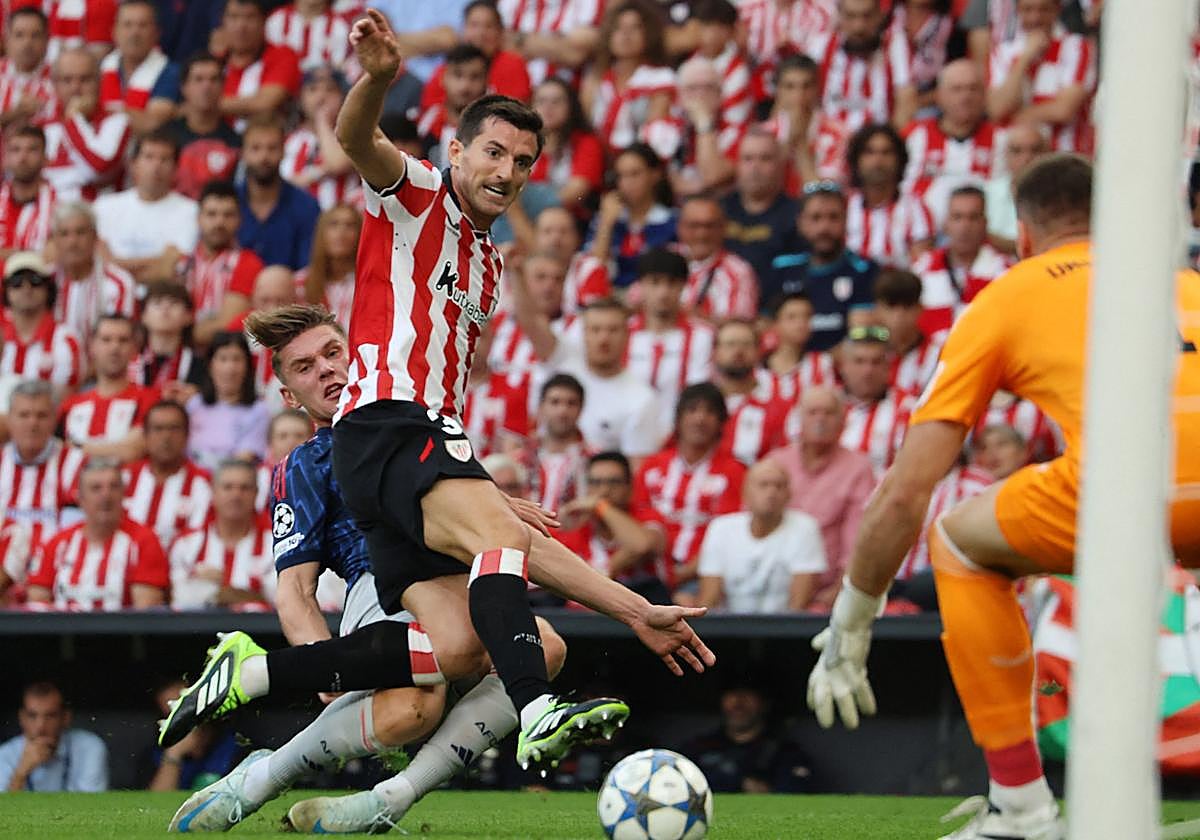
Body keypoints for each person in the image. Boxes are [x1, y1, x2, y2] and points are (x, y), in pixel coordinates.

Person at [160, 13, 712, 790]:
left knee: (454, 648)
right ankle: (538, 709)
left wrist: (635, 609)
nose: (507, 168)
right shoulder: (417, 195)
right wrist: (379, 79)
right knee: (506, 556)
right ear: (457, 151)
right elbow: (358, 140)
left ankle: (252, 678)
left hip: (413, 442)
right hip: (389, 419)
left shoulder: (488, 267)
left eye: (523, 160)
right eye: (493, 150)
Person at [802, 154, 1200, 839]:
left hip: (1138, 486)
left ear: (1021, 234)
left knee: (959, 542)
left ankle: (1020, 807)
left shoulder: (1009, 294)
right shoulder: (1186, 281)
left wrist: (852, 618)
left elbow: (906, 491)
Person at [164, 303, 566, 833]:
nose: (327, 370)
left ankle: (384, 797)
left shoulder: (413, 421)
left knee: (549, 646)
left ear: (360, 357)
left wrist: (497, 504)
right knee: (413, 710)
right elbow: (296, 590)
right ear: (288, 396)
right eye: (305, 367)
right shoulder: (307, 463)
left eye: (333, 353)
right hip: (381, 592)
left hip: (455, 585)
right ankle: (259, 778)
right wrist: (322, 665)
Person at [633, 383, 746, 602]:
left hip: (703, 576)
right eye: (692, 410)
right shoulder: (652, 466)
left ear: (721, 421)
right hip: (647, 572)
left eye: (710, 412)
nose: (700, 419)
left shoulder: (734, 471)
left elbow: (728, 535)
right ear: (678, 418)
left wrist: (686, 572)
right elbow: (637, 518)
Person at [766, 386, 876, 610]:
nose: (820, 419)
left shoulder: (858, 468)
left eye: (828, 413)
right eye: (813, 412)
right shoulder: (776, 463)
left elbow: (858, 540)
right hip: (769, 582)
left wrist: (839, 590)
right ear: (799, 419)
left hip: (825, 591)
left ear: (843, 421)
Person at [521, 295, 668, 461]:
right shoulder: (562, 362)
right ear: (583, 333)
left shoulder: (641, 399)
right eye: (596, 329)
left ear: (627, 334)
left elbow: (636, 470)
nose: (604, 339)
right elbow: (532, 324)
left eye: (613, 330)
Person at [27, 457, 170, 610]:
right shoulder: (57, 544)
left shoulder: (144, 542)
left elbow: (145, 614)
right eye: (96, 488)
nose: (106, 496)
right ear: (80, 499)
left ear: (124, 494)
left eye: (113, 487)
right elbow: (37, 607)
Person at [697, 458, 826, 613]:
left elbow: (799, 604)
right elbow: (709, 600)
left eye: (779, 486)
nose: (771, 493)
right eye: (763, 485)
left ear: (789, 494)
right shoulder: (721, 528)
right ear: (745, 493)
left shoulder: (805, 528)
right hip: (729, 629)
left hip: (786, 630)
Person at [0, 381, 85, 599]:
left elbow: (81, 532)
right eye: (24, 415)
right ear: (9, 419)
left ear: (55, 419)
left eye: (41, 415)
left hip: (58, 579)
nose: (32, 423)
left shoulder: (76, 465)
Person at [770, 184, 876, 351]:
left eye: (833, 217)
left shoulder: (864, 270)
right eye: (815, 218)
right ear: (801, 222)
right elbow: (765, 325)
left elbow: (861, 335)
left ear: (846, 220)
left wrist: (817, 365)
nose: (824, 228)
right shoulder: (781, 268)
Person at [554, 450, 668, 603]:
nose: (604, 490)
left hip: (646, 610)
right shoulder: (578, 527)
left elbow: (641, 546)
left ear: (630, 488)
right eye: (596, 482)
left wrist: (600, 506)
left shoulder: (648, 517)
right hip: (584, 618)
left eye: (613, 482)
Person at [902, 59, 1002, 227]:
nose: (966, 96)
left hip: (986, 240)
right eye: (957, 89)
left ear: (985, 95)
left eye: (973, 89)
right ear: (938, 95)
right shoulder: (913, 135)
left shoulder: (1003, 139)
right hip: (921, 235)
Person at [987, 0, 1094, 154]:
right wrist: (1024, 59)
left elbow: (1064, 110)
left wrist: (1015, 118)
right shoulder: (1003, 52)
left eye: (1044, 10)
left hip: (1062, 154)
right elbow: (997, 109)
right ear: (1018, 10)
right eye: (1028, 10)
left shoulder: (1077, 47)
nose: (1035, 18)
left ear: (1057, 10)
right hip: (1013, 160)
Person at [625, 248, 714, 429]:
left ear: (683, 286)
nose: (663, 292)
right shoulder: (623, 332)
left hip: (679, 437)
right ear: (641, 285)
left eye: (671, 283)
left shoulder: (703, 336)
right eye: (655, 283)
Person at [93, 130, 198, 283]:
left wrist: (114, 263)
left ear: (176, 168)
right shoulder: (104, 207)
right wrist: (156, 262)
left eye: (164, 159)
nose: (156, 165)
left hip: (161, 298)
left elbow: (172, 267)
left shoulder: (191, 211)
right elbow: (95, 262)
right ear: (133, 164)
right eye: (149, 157)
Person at [169, 459, 274, 610]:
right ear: (213, 492)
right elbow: (177, 603)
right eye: (228, 487)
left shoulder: (274, 544)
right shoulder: (186, 544)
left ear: (256, 493)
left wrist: (218, 591)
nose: (236, 495)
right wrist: (246, 595)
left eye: (244, 488)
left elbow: (279, 602)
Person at [57, 315, 157, 463]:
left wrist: (74, 448)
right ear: (92, 346)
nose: (114, 347)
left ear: (135, 349)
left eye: (123, 340)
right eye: (106, 339)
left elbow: (132, 450)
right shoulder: (70, 405)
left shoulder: (150, 399)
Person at [685, 678, 813, 793]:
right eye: (731, 694)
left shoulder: (785, 752)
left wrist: (766, 790)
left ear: (765, 703)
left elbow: (795, 793)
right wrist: (739, 782)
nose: (738, 702)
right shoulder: (699, 747)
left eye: (748, 694)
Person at [913, 184, 1012, 334]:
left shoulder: (1006, 273)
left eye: (973, 218)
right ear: (946, 224)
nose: (965, 226)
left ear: (985, 223)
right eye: (957, 217)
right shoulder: (922, 268)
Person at [806, 0, 917, 132]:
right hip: (827, 140)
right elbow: (803, 98)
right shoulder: (821, 46)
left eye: (867, 16)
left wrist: (887, 144)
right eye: (851, 16)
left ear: (880, 16)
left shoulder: (895, 45)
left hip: (877, 142)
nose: (859, 27)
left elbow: (907, 100)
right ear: (839, 16)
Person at [580, 0, 674, 154]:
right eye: (618, 28)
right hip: (601, 162)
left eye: (635, 28)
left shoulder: (661, 78)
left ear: (649, 34)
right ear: (609, 35)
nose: (626, 34)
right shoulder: (595, 80)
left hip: (642, 163)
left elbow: (656, 132)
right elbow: (587, 129)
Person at [641, 56, 741, 198]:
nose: (700, 95)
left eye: (709, 88)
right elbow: (650, 181)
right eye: (692, 88)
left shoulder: (736, 132)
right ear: (679, 96)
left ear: (721, 95)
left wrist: (704, 123)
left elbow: (712, 176)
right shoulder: (660, 129)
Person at [179, 180, 263, 346]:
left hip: (224, 357)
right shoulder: (181, 263)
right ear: (198, 218)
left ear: (239, 220)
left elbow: (227, 325)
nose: (219, 223)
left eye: (228, 215)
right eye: (211, 214)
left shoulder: (248, 263)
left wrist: (175, 337)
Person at [122, 401, 213, 553]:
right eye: (158, 429)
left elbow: (200, 538)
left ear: (187, 435)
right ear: (145, 436)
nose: (166, 437)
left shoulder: (204, 484)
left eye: (174, 429)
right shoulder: (122, 478)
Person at [42, 47, 130, 202]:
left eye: (85, 79)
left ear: (99, 82)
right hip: (48, 217)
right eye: (67, 80)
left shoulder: (116, 121)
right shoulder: (41, 125)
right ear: (54, 84)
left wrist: (73, 118)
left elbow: (99, 168)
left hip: (99, 216)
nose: (76, 88)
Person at [844, 123, 935, 270]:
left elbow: (922, 266)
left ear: (899, 160)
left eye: (886, 153)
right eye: (869, 152)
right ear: (857, 160)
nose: (878, 161)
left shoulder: (916, 209)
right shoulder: (843, 206)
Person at [587, 142, 677, 289]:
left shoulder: (672, 222)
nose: (626, 183)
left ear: (655, 175)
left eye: (635, 174)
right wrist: (606, 224)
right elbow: (592, 271)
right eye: (621, 176)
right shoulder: (605, 219)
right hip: (608, 301)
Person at [720, 128, 799, 294]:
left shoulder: (796, 215)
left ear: (780, 165)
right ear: (737, 165)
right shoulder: (719, 210)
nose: (755, 167)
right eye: (748, 159)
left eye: (765, 159)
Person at [236, 114, 321, 270]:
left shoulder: (306, 206)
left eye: (272, 148)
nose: (264, 157)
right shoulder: (228, 203)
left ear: (283, 152)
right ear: (243, 153)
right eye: (256, 148)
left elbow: (308, 270)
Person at [50, 201, 137, 345]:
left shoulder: (119, 284)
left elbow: (119, 341)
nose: (73, 242)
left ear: (95, 237)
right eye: (64, 234)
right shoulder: (44, 280)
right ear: (54, 241)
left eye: (81, 232)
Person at [761, 54, 850, 194]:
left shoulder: (840, 134)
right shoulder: (763, 134)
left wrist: (800, 143)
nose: (799, 96)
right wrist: (787, 143)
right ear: (778, 91)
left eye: (806, 86)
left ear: (817, 89)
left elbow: (823, 195)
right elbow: (762, 193)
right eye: (790, 87)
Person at [420, 0, 532, 109]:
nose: (481, 33)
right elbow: (430, 109)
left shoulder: (513, 65)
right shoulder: (448, 67)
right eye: (474, 25)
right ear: (463, 29)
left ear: (500, 32)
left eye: (489, 26)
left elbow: (515, 113)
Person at [0, 251, 82, 398]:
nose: (26, 289)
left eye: (35, 280)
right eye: (17, 282)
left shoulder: (66, 339)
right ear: (6, 290)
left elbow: (71, 395)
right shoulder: (2, 338)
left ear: (48, 288)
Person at [0, 681, 108, 792]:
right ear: (22, 718)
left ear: (66, 718)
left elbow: (91, 806)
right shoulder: (5, 754)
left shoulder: (89, 747)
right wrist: (20, 774)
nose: (40, 726)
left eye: (50, 716)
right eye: (32, 716)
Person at [710, 319, 791, 465]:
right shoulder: (700, 403)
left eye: (746, 345)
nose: (738, 351)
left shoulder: (777, 405)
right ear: (716, 352)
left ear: (758, 352)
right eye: (730, 344)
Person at [186, 331, 269, 472]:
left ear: (247, 367)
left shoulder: (259, 410)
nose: (230, 368)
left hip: (231, 483)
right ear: (210, 365)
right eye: (223, 359)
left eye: (237, 359)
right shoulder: (194, 404)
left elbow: (245, 458)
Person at [838, 326, 914, 477]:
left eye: (876, 362)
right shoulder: (824, 405)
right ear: (843, 366)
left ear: (888, 367)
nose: (868, 371)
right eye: (859, 361)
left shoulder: (908, 408)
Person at [165, 52, 242, 199]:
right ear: (184, 87)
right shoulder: (165, 138)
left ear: (223, 86)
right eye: (198, 79)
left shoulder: (237, 142)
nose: (206, 86)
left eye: (214, 80)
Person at [282, 65, 359, 210]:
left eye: (330, 90)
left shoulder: (353, 135)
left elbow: (337, 163)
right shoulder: (289, 140)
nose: (321, 96)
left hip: (340, 221)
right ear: (301, 97)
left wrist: (322, 122)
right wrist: (323, 171)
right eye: (313, 89)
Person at [97, 0, 180, 136]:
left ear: (156, 33)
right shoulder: (101, 67)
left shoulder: (171, 73)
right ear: (114, 32)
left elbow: (151, 123)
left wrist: (98, 112)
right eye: (127, 25)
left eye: (143, 25)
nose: (135, 33)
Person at [217, 0, 302, 128]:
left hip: (266, 144)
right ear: (223, 21)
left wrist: (204, 107)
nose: (241, 26)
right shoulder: (214, 62)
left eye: (249, 17)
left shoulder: (283, 56)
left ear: (264, 21)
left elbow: (264, 103)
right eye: (234, 17)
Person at [526, 78, 604, 218]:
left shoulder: (586, 143)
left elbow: (574, 193)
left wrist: (519, 209)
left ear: (571, 106)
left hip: (569, 222)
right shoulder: (523, 144)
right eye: (541, 101)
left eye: (556, 101)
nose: (548, 107)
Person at [146, 678, 242, 792]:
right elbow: (154, 804)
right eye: (170, 715)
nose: (178, 720)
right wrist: (173, 757)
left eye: (183, 710)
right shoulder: (155, 757)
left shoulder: (236, 750)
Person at [674, 196, 757, 321]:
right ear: (680, 227)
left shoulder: (739, 271)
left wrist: (688, 316)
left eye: (710, 226)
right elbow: (636, 304)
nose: (702, 234)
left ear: (724, 228)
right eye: (694, 226)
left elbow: (740, 325)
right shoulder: (660, 259)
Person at [873, 269, 945, 396]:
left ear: (920, 309)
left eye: (907, 306)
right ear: (878, 309)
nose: (899, 315)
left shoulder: (938, 356)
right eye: (892, 306)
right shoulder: (868, 352)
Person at [533, 205, 611, 315]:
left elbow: (595, 318)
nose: (556, 238)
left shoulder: (589, 268)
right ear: (535, 237)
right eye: (548, 231)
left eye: (563, 231)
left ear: (577, 238)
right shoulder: (519, 269)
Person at [130, 282, 205, 395]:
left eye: (174, 303)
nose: (165, 309)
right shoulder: (129, 363)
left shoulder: (201, 365)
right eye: (157, 303)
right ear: (143, 316)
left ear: (189, 316)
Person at [688, 0, 752, 130]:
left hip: (727, 136)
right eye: (706, 27)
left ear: (732, 32)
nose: (712, 35)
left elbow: (735, 120)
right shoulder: (689, 65)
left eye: (720, 28)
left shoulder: (738, 72)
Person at [983, 122, 1047, 252]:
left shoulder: (1061, 196)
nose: (1026, 158)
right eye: (1017, 151)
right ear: (1005, 155)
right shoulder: (987, 193)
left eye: (1035, 150)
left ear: (1048, 153)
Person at [762, 291, 836, 400]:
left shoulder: (822, 364)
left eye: (807, 317)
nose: (801, 324)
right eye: (792, 317)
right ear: (775, 323)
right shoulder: (758, 369)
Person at [296, 203, 359, 329]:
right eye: (334, 224)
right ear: (321, 233)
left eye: (350, 225)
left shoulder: (368, 283)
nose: (342, 232)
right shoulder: (300, 283)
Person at [0, 124, 57, 258]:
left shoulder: (61, 205)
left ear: (46, 159)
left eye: (32, 150)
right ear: (5, 159)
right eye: (15, 150)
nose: (23, 157)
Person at [0, 7, 56, 130]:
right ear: (7, 39)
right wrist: (14, 114)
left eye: (35, 35)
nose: (27, 43)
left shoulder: (61, 77)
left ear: (47, 40)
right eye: (19, 35)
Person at [265, 0, 354, 73]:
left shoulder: (340, 26)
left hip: (320, 84)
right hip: (281, 80)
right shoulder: (276, 19)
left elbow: (338, 66)